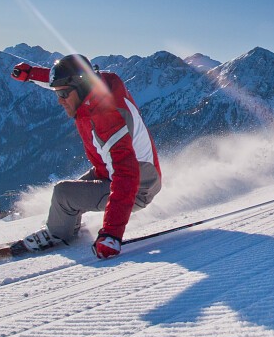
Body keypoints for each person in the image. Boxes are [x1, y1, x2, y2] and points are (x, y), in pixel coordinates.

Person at [11, 54, 162, 259]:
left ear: (81, 89)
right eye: (57, 93)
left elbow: (126, 175)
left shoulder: (107, 117)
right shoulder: (99, 84)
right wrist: (31, 74)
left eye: (63, 95)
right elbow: (66, 80)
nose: (59, 101)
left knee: (63, 194)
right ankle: (65, 227)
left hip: (137, 186)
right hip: (117, 171)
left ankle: (58, 235)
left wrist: (111, 234)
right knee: (67, 196)